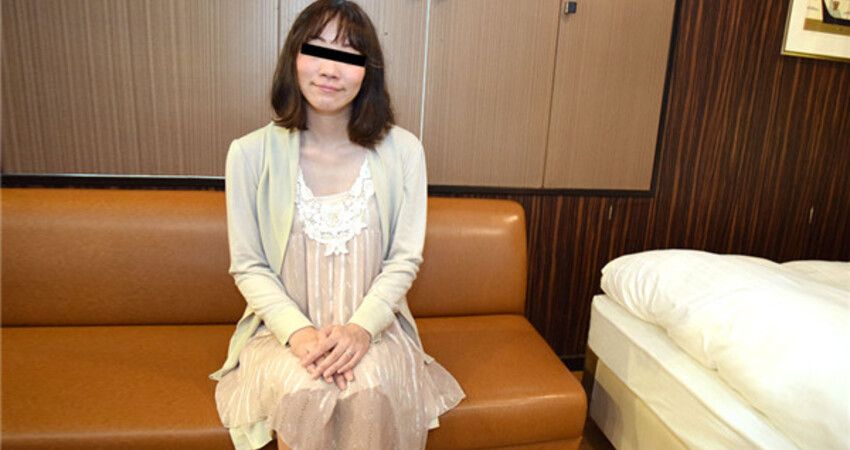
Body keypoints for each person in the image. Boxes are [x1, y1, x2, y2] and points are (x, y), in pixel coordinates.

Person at [209, 1, 465, 449]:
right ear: (293, 58)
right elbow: (249, 266)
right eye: (317, 50)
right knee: (306, 389)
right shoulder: (248, 154)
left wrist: (360, 330)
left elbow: (404, 260)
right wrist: (300, 334)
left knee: (367, 386)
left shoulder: (404, 151)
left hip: (377, 331)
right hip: (282, 334)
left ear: (368, 71)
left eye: (348, 55)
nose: (330, 69)